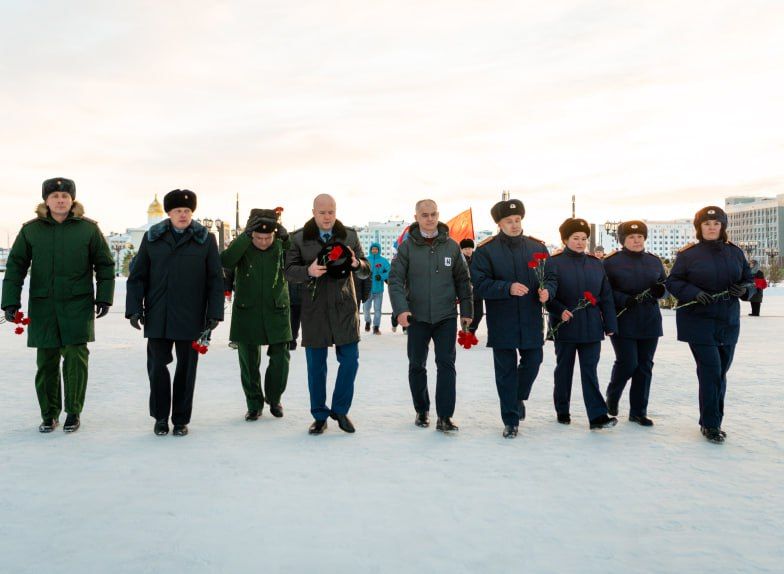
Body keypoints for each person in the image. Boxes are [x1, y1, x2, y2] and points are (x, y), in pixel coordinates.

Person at [1, 177, 115, 433]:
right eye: (55, 196)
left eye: (65, 196)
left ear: (72, 199)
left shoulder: (88, 229)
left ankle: (73, 412)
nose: (61, 200)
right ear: (46, 200)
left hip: (78, 304)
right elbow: (16, 265)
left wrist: (104, 296)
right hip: (44, 306)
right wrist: (9, 301)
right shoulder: (31, 230)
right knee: (46, 362)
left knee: (76, 357)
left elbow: (105, 265)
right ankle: (49, 414)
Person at [126, 189, 224, 436]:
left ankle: (180, 419)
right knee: (158, 366)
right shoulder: (153, 238)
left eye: (187, 211)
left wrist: (214, 313)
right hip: (159, 314)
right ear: (168, 213)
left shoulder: (205, 239)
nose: (183, 215)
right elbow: (137, 276)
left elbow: (215, 279)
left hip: (192, 317)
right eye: (178, 210)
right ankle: (160, 417)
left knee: (186, 369)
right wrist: (135, 309)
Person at [665, 206, 756, 444]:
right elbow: (673, 281)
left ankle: (713, 419)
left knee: (721, 372)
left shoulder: (735, 253)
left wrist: (745, 289)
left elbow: (749, 280)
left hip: (728, 321)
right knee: (711, 371)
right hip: (698, 320)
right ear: (699, 228)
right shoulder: (688, 255)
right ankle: (711, 424)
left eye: (716, 224)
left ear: (723, 227)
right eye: (707, 224)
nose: (712, 228)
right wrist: (693, 293)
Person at [284, 194, 369, 435]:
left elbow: (365, 269)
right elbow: (288, 271)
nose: (327, 216)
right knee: (316, 366)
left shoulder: (349, 236)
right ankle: (319, 416)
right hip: (314, 310)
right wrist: (308, 271)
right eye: (322, 212)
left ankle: (340, 410)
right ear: (313, 212)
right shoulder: (298, 238)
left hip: (344, 308)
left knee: (350, 361)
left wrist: (357, 265)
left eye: (331, 211)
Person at [388, 199, 473, 432]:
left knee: (446, 364)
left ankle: (445, 416)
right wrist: (401, 309)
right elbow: (395, 280)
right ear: (416, 217)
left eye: (433, 214)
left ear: (438, 214)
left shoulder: (452, 247)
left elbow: (463, 281)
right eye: (424, 215)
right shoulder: (406, 247)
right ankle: (422, 409)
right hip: (417, 317)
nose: (430, 219)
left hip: (446, 316)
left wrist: (467, 311)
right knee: (417, 364)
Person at [470, 200, 552, 438]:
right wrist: (507, 288)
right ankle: (510, 420)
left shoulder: (537, 248)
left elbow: (551, 277)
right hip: (502, 320)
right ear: (499, 224)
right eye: (509, 221)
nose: (515, 225)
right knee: (505, 371)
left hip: (530, 318)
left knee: (534, 360)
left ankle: (517, 396)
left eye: (517, 220)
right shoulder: (486, 251)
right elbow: (480, 284)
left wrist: (548, 291)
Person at [545, 217, 618, 430]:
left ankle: (597, 416)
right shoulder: (554, 263)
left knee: (590, 371)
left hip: (592, 327)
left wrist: (610, 325)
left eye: (584, 238)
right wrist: (559, 310)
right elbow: (548, 296)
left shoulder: (596, 264)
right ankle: (562, 409)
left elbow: (606, 296)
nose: (580, 242)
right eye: (575, 238)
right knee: (564, 370)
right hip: (566, 325)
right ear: (565, 239)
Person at [221, 208, 291, 421]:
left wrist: (285, 237)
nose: (263, 242)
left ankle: (274, 396)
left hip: (276, 309)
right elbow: (226, 260)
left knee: (281, 358)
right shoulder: (243, 246)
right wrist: (244, 238)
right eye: (258, 237)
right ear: (251, 234)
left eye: (267, 237)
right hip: (247, 311)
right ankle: (254, 404)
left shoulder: (281, 246)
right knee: (249, 363)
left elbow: (296, 255)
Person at [602, 221, 667, 426]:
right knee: (628, 362)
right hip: (624, 319)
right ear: (623, 240)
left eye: (640, 236)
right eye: (631, 237)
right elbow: (604, 290)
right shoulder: (611, 262)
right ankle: (613, 395)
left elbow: (666, 286)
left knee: (645, 366)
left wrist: (661, 291)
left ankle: (638, 411)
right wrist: (623, 299)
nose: (636, 240)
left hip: (649, 320)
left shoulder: (654, 261)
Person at [363, 242, 390, 335]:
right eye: (373, 249)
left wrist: (382, 276)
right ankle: (368, 321)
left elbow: (390, 271)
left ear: (379, 250)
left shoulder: (383, 261)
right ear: (370, 250)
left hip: (378, 291)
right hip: (367, 290)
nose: (374, 250)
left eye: (376, 249)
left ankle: (376, 327)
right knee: (366, 309)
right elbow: (361, 271)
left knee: (377, 310)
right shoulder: (366, 260)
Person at [460, 238, 484, 335]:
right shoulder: (459, 259)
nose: (468, 250)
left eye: (470, 248)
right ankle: (466, 331)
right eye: (465, 249)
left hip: (477, 291)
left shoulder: (478, 258)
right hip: (465, 292)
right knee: (466, 314)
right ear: (461, 249)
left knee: (479, 313)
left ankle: (472, 330)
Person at [288, 281, 305, 349]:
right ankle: (292, 341)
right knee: (293, 321)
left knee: (294, 320)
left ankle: (292, 341)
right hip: (293, 299)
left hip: (302, 297)